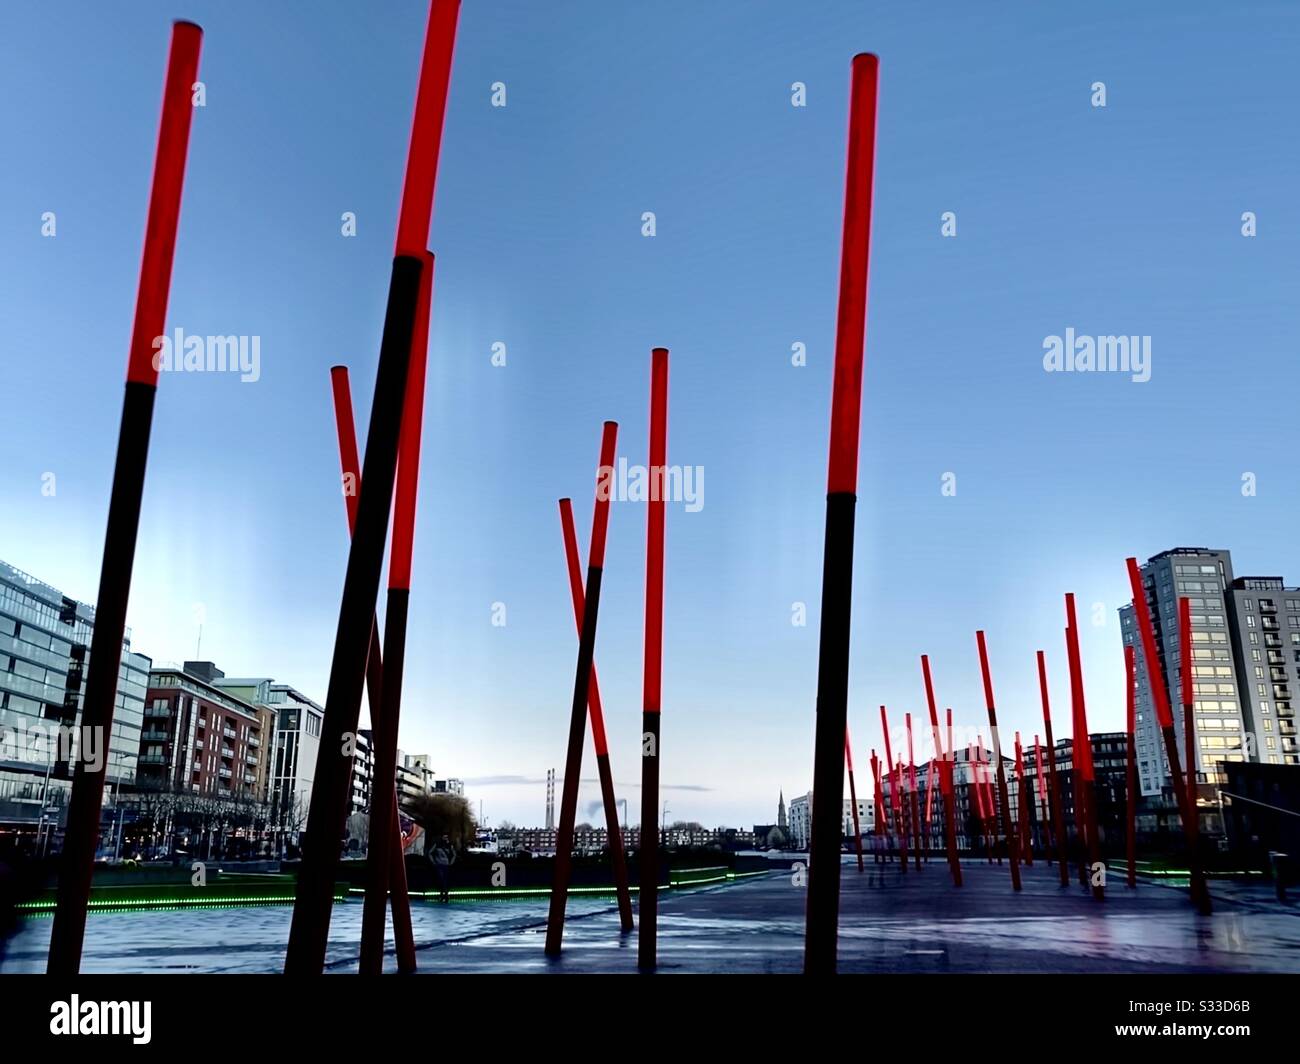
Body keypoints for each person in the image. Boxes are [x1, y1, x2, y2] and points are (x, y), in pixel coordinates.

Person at [427, 833, 456, 903]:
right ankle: (446, 895)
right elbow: (429, 852)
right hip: (439, 865)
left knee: (444, 880)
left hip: (446, 865)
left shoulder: (450, 845)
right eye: (444, 837)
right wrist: (433, 861)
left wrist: (451, 862)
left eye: (446, 837)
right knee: (441, 879)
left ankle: (442, 895)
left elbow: (454, 854)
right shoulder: (437, 844)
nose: (445, 838)